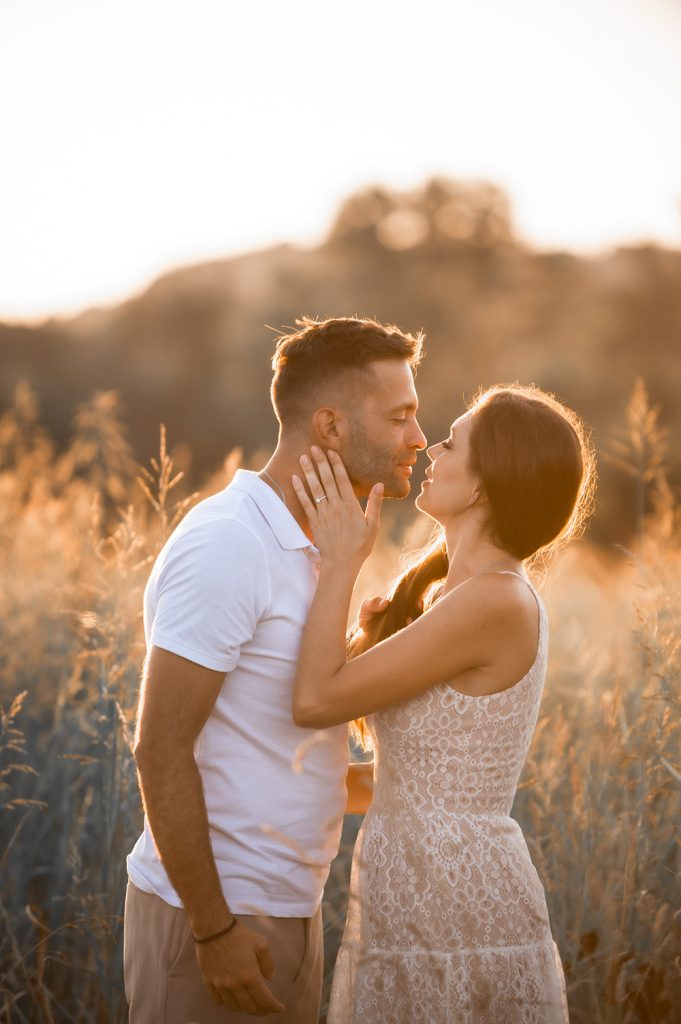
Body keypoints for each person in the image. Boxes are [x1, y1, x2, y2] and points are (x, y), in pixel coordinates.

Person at [123, 315, 427, 1023]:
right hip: (215, 914)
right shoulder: (231, 542)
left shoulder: (320, 547)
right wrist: (213, 929)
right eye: (400, 416)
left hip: (290, 906)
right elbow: (159, 748)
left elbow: (280, 745)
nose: (418, 438)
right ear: (329, 427)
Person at [290, 383, 596, 1024]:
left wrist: (342, 561)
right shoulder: (456, 599)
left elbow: (316, 699)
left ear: (485, 484)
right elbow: (406, 785)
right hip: (407, 894)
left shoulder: (496, 601)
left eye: (452, 441)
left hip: (455, 902)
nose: (430, 445)